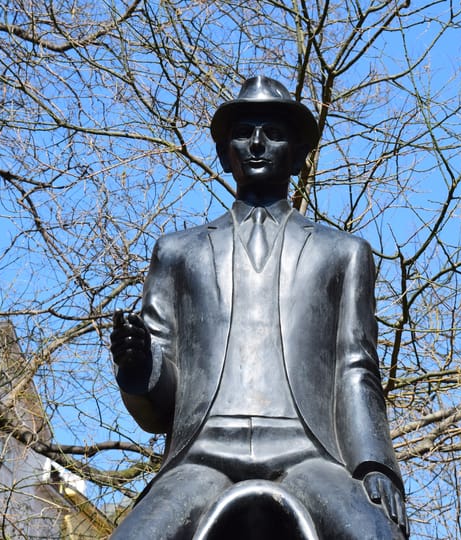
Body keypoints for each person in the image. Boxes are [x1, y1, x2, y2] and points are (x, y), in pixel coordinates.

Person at [109, 76, 406, 539]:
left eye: (272, 131)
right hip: (203, 455)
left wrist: (376, 465)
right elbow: (157, 405)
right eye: (244, 132)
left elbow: (356, 368)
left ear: (299, 152)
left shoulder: (343, 253)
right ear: (226, 150)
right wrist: (139, 366)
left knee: (373, 536)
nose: (257, 143)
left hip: (307, 454)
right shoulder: (177, 252)